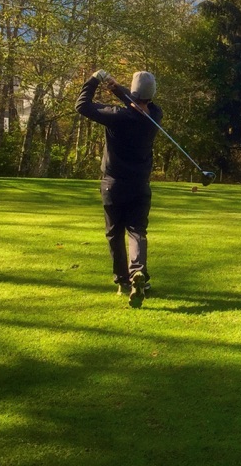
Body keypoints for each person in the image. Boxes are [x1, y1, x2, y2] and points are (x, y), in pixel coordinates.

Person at [75, 69, 162, 308]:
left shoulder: (116, 116)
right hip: (140, 186)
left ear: (133, 92)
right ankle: (138, 272)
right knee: (137, 231)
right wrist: (117, 89)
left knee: (114, 234)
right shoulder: (155, 114)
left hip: (113, 185)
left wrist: (94, 81)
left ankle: (123, 281)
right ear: (151, 95)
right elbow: (136, 103)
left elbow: (82, 105)